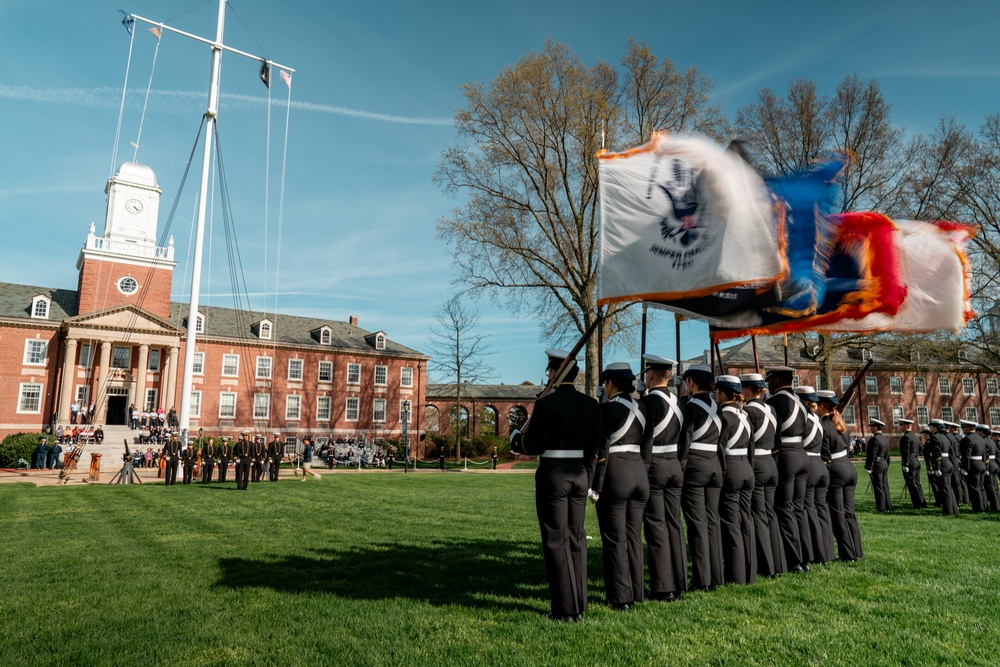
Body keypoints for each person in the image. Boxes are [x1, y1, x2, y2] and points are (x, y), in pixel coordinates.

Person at [510, 349, 601, 622]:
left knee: (555, 540)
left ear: (555, 373)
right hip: (580, 475)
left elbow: (534, 444)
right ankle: (579, 604)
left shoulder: (547, 405)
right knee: (576, 538)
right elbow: (594, 446)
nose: (548, 374)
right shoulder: (591, 405)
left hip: (555, 474)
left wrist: (516, 437)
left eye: (550, 371)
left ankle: (564, 609)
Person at [591, 362, 651, 610]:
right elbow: (647, 447)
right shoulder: (643, 408)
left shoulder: (607, 410)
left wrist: (595, 484)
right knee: (633, 537)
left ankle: (620, 597)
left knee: (615, 539)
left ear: (609, 384)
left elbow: (601, 450)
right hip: (639, 473)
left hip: (616, 475)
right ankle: (637, 591)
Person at [641, 355, 687, 600]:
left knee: (656, 526)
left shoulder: (647, 403)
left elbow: (645, 439)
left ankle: (663, 586)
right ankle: (680, 582)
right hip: (675, 465)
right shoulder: (680, 402)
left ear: (650, 375)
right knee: (674, 524)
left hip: (656, 465)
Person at [679, 364, 726, 590]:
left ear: (691, 382)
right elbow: (722, 444)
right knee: (713, 522)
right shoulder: (718, 407)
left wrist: (682, 467)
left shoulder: (689, 407)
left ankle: (702, 580)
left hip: (696, 467)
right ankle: (716, 576)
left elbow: (685, 442)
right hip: (715, 466)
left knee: (698, 524)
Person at [764, 366, 811, 573]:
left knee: (784, 508)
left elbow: (772, 434)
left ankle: (793, 559)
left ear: (775, 380)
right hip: (802, 454)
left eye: (769, 380)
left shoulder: (775, 402)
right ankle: (805, 557)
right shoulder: (801, 402)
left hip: (786, 455)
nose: (768, 385)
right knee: (798, 508)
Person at [741, 373, 785, 578]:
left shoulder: (748, 411)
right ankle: (778, 562)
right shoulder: (771, 409)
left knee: (759, 515)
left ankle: (767, 567)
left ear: (747, 390)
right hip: (770, 462)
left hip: (757, 463)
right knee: (770, 514)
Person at [716, 375, 756, 585]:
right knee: (746, 522)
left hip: (731, 468)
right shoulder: (744, 415)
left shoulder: (723, 415)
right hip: (747, 469)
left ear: (722, 393)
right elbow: (752, 448)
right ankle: (750, 573)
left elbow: (720, 449)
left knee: (731, 525)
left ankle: (736, 575)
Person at [816, 391, 862, 561]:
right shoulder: (840, 424)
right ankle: (857, 550)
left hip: (836, 470)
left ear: (821, 406)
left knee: (837, 513)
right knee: (849, 512)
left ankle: (847, 554)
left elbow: (825, 455)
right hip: (849, 468)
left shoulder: (823, 426)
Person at [797, 387, 833, 566]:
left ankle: (816, 552)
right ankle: (826, 551)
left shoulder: (804, 419)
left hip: (810, 465)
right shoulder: (818, 420)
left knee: (809, 510)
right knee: (821, 510)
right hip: (821, 466)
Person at [927, 420, 958, 515]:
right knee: (949, 488)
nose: (930, 428)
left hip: (942, 464)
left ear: (935, 427)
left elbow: (937, 454)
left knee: (944, 489)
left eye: (931, 426)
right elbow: (951, 453)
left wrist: (938, 468)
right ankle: (954, 510)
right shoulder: (945, 437)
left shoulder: (935, 438)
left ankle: (948, 511)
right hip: (948, 463)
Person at [897, 419, 927, 509]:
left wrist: (905, 464)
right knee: (917, 483)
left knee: (911, 484)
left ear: (906, 426)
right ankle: (922, 502)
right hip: (916, 460)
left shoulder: (905, 437)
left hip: (910, 461)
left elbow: (906, 452)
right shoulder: (915, 436)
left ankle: (916, 504)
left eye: (902, 425)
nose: (901, 427)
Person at [959, 420, 987, 513]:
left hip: (973, 465)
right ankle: (984, 506)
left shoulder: (967, 439)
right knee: (980, 487)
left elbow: (966, 456)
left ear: (968, 428)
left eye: (964, 427)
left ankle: (978, 508)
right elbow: (984, 454)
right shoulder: (981, 438)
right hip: (981, 464)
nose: (963, 429)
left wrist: (964, 468)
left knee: (974, 488)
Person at [865, 419, 892, 512]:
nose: (870, 428)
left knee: (878, 486)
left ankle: (881, 507)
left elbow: (872, 454)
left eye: (871, 427)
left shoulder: (874, 439)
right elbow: (887, 455)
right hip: (884, 463)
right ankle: (888, 505)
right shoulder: (885, 439)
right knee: (884, 486)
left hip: (877, 464)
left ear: (876, 427)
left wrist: (869, 466)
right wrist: (887, 464)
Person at [984, 428, 1000, 511]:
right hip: (994, 464)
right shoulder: (992, 442)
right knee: (994, 486)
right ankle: (998, 503)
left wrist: (986, 468)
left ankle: (995, 506)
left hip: (989, 465)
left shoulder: (985, 441)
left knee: (990, 486)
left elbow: (986, 456)